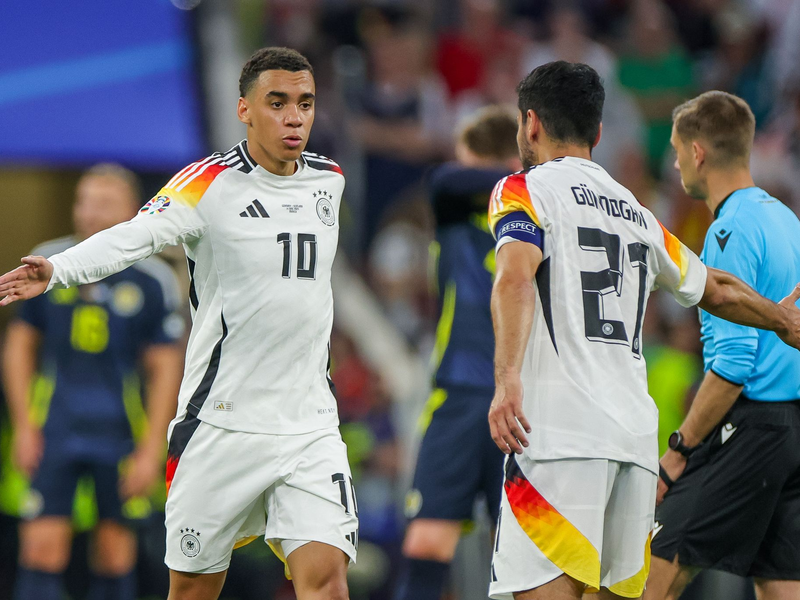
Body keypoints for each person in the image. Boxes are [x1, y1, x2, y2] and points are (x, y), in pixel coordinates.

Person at [0, 47, 358, 600]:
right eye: (278, 102)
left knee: (328, 582)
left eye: (305, 104)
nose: (294, 117)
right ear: (244, 109)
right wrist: (60, 269)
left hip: (309, 426)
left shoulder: (328, 180)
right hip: (220, 426)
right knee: (192, 588)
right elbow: (134, 236)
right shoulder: (207, 184)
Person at [485, 61, 800, 600]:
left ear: (530, 123)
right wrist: (781, 319)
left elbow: (515, 275)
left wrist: (507, 377)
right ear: (599, 132)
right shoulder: (634, 209)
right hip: (631, 446)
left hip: (558, 440)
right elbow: (716, 289)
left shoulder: (522, 190)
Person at [3, 164, 184, 600]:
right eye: (83, 201)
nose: (89, 213)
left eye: (103, 203)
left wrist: (151, 449)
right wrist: (24, 425)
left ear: (130, 212)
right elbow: (18, 346)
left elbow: (165, 369)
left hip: (121, 434)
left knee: (115, 555)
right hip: (56, 428)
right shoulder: (48, 262)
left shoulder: (152, 278)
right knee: (41, 553)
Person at [645, 92, 800, 600]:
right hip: (793, 431)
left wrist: (679, 451)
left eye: (675, 150)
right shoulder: (787, 220)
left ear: (698, 153)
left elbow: (734, 364)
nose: (673, 162)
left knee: (652, 579)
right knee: (782, 587)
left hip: (749, 426)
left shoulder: (728, 229)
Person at [395, 106, 521, 600]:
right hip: (460, 391)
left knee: (518, 550)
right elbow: (446, 178)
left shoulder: (542, 218)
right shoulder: (453, 202)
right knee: (428, 540)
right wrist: (527, 175)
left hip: (519, 399)